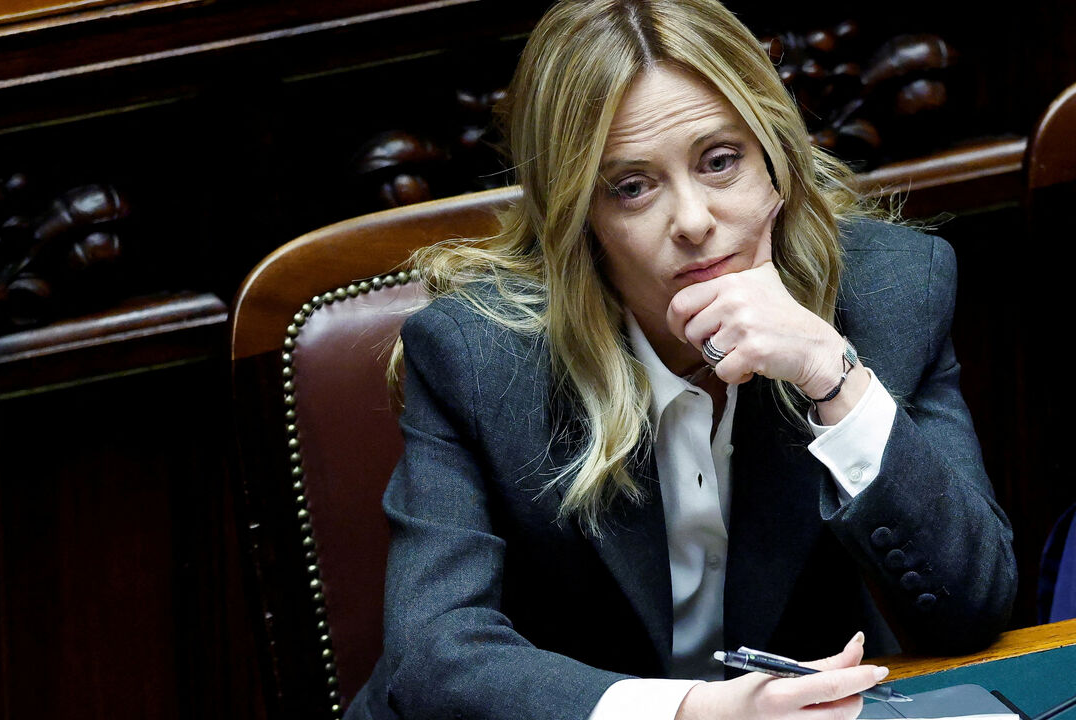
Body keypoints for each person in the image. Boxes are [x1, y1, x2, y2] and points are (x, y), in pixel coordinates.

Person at [345, 1, 1017, 718]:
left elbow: (971, 608)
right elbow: (432, 659)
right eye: (632, 187)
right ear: (581, 220)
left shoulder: (890, 295)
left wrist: (833, 374)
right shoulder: (476, 356)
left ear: (775, 163)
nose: (694, 221)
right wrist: (692, 713)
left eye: (720, 161)